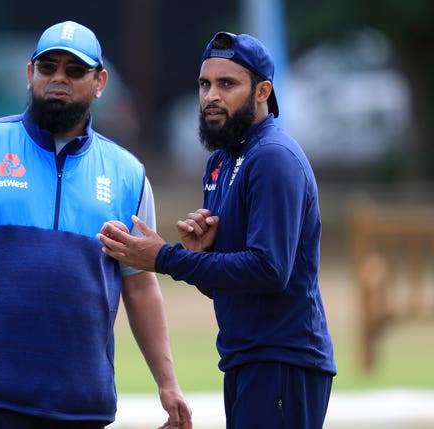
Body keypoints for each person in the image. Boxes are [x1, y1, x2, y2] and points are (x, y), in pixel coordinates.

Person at [0, 20, 192, 429]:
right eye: (48, 67)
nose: (59, 79)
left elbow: (141, 286)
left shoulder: (128, 175)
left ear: (100, 82)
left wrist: (168, 383)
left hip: (80, 404)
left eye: (74, 71)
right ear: (29, 74)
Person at [98, 31, 337, 428]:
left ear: (262, 91)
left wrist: (163, 257)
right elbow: (229, 282)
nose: (211, 95)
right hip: (245, 357)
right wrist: (200, 256)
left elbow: (269, 270)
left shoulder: (273, 158)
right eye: (205, 84)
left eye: (227, 84)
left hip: (283, 359)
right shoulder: (219, 163)